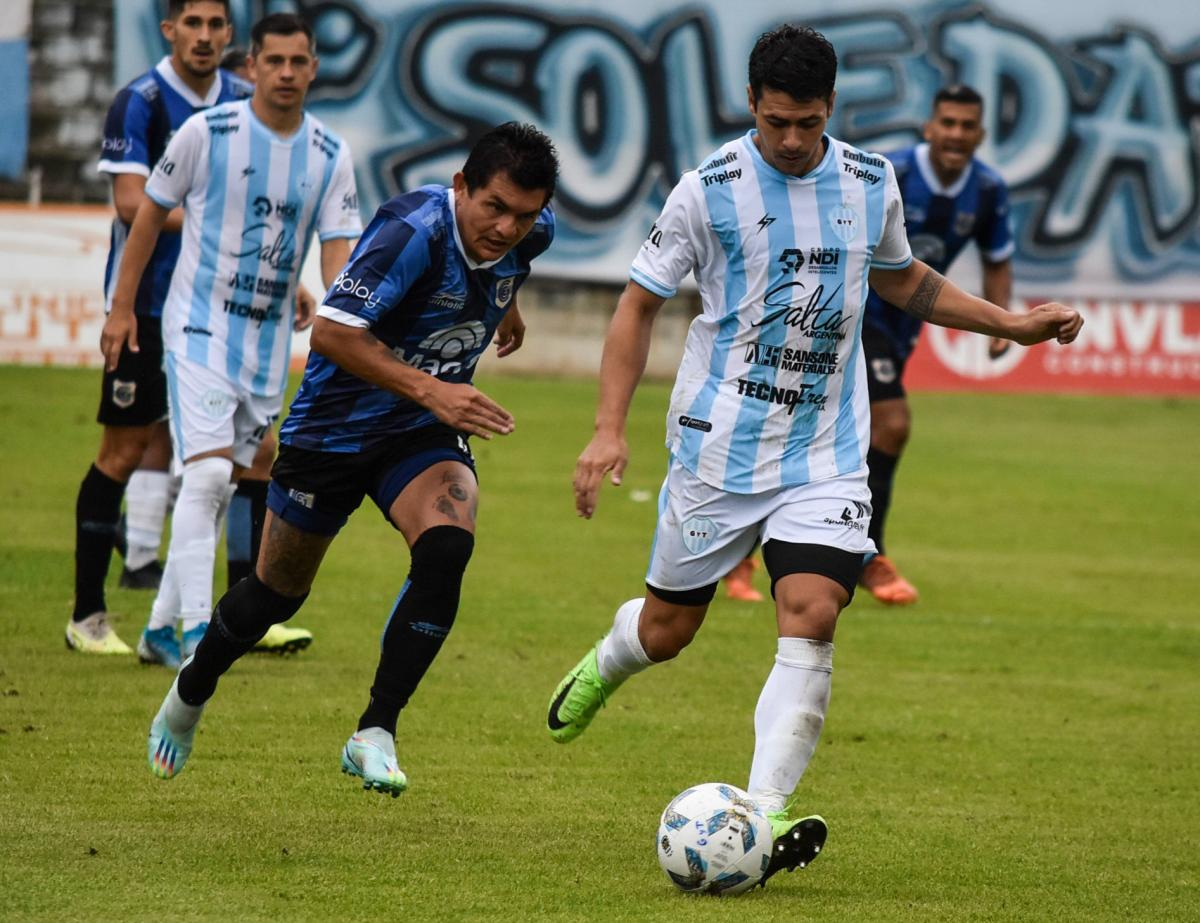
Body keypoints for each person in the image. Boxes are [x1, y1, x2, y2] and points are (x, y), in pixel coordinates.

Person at [545, 24, 1081, 889]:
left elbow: (905, 279)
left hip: (825, 453)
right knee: (668, 630)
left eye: (808, 121)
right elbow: (636, 306)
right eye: (776, 122)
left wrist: (1010, 321)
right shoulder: (707, 188)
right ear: (751, 106)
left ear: (833, 108)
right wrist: (609, 427)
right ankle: (610, 659)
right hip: (717, 451)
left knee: (815, 610)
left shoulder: (872, 181)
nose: (792, 140)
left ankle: (763, 814)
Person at [142, 121, 557, 795]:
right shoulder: (410, 233)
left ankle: (375, 729)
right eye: (494, 208)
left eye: (524, 215)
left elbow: (510, 264)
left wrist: (503, 306)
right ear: (461, 187)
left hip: (417, 430)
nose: (508, 227)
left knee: (448, 545)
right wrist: (435, 388)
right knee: (274, 596)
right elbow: (332, 333)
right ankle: (191, 690)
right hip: (332, 431)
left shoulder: (533, 234)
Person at [101, 12, 362, 671]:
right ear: (250, 68)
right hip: (195, 327)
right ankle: (196, 635)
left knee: (225, 480)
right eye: (272, 62)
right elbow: (147, 214)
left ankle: (159, 628)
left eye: (297, 62)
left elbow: (341, 264)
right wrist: (122, 308)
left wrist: (351, 325)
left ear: (313, 69)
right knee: (211, 471)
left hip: (267, 344)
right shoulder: (205, 132)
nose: (284, 73)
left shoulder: (331, 154)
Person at [66, 0, 249, 655]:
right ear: (169, 28)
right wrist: (118, 308)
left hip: (221, 312)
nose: (203, 37)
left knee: (236, 459)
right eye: (191, 24)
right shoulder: (140, 101)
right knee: (122, 451)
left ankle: (242, 613)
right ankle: (87, 615)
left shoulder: (246, 100)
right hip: (145, 309)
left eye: (215, 25)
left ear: (230, 33)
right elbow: (128, 203)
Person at [859, 85, 1014, 606]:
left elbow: (997, 257)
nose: (956, 134)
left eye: (967, 126)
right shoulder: (892, 174)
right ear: (929, 127)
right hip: (855, 314)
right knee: (892, 423)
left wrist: (1002, 324)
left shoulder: (989, 189)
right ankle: (870, 557)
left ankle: (754, 553)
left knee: (837, 432)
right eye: (947, 123)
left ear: (981, 134)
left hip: (905, 324)